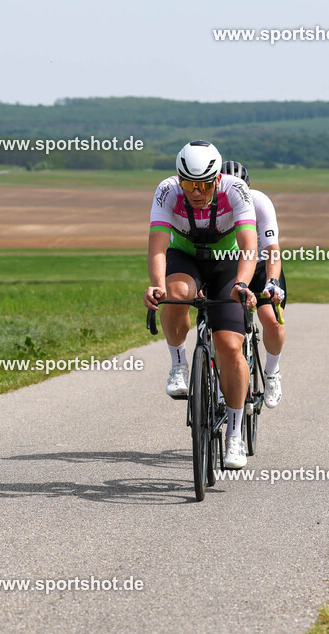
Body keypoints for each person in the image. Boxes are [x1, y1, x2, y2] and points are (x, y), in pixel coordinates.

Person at [143, 141, 258, 469]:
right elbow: (158, 245)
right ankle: (179, 365)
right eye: (189, 184)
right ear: (179, 179)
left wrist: (242, 284)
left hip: (226, 260)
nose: (196, 191)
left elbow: (250, 245)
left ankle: (234, 437)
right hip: (185, 255)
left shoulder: (235, 190)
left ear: (217, 179)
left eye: (204, 184)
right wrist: (156, 284)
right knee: (175, 293)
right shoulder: (167, 190)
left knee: (230, 346)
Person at [221, 161, 286, 409]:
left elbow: (272, 250)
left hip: (259, 266)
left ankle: (272, 371)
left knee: (271, 318)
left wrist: (272, 281)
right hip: (227, 267)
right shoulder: (213, 206)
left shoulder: (260, 202)